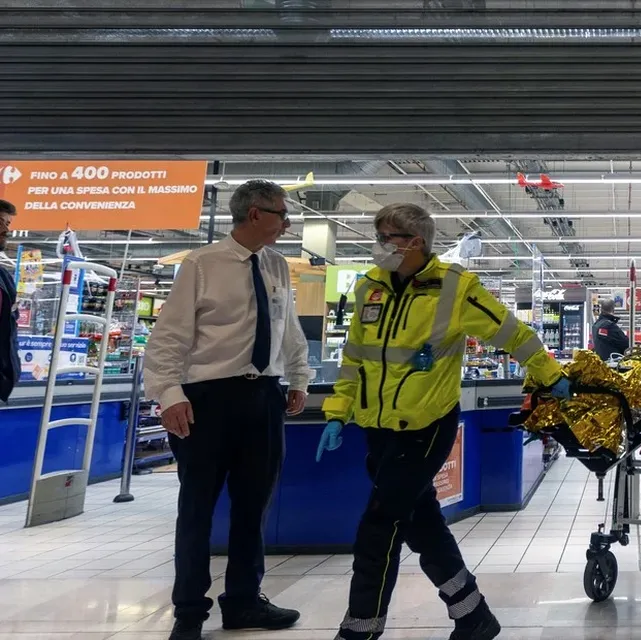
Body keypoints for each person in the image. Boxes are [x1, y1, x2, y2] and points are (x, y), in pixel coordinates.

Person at [317, 203, 570, 640]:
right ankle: (473, 616)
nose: (379, 248)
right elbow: (354, 357)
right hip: (377, 428)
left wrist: (552, 375)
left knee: (379, 525)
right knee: (422, 521)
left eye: (386, 239)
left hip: (425, 427)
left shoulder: (456, 288)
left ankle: (360, 629)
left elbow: (511, 332)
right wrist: (338, 412)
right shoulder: (370, 288)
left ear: (415, 242)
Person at [144, 180, 310, 640]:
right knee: (196, 508)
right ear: (254, 214)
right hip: (208, 401)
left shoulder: (276, 265)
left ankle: (242, 600)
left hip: (264, 398)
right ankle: (189, 612)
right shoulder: (201, 265)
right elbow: (168, 339)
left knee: (253, 505)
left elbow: (287, 328)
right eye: (281, 214)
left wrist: (298, 377)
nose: (287, 222)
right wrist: (170, 395)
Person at [0, 200, 20, 404]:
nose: (6, 230)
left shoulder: (4, 278)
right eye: (1, 223)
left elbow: (10, 328)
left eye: (8, 224)